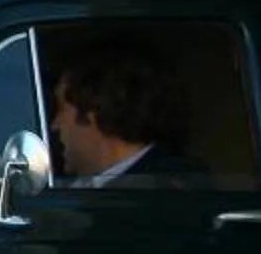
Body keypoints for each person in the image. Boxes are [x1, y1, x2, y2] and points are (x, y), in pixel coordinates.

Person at [44, 37, 203, 187]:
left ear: (93, 109)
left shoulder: (160, 192)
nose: (55, 125)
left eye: (62, 109)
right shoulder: (98, 187)